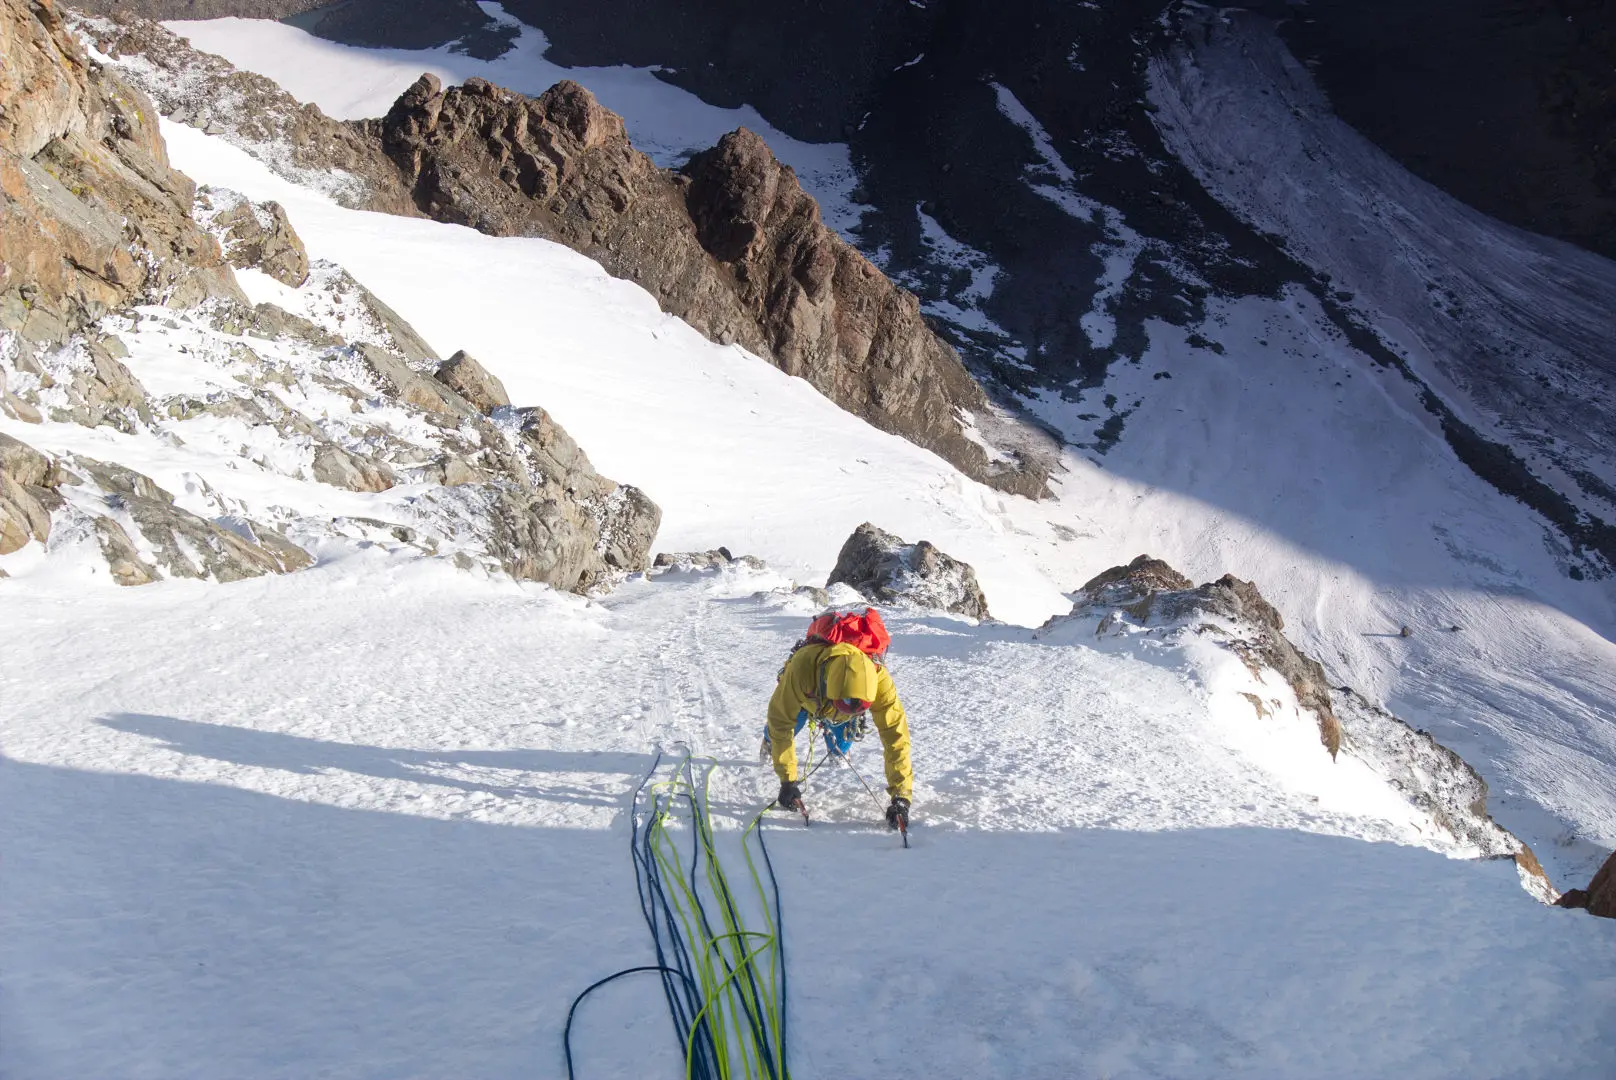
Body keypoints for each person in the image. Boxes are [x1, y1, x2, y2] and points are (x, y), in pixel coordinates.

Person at [763, 631, 912, 831]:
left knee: (842, 742)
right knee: (778, 732)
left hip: (843, 713)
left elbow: (895, 735)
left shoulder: (879, 678)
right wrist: (787, 780)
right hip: (805, 702)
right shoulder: (802, 668)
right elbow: (780, 721)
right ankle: (768, 744)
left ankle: (838, 750)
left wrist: (901, 797)